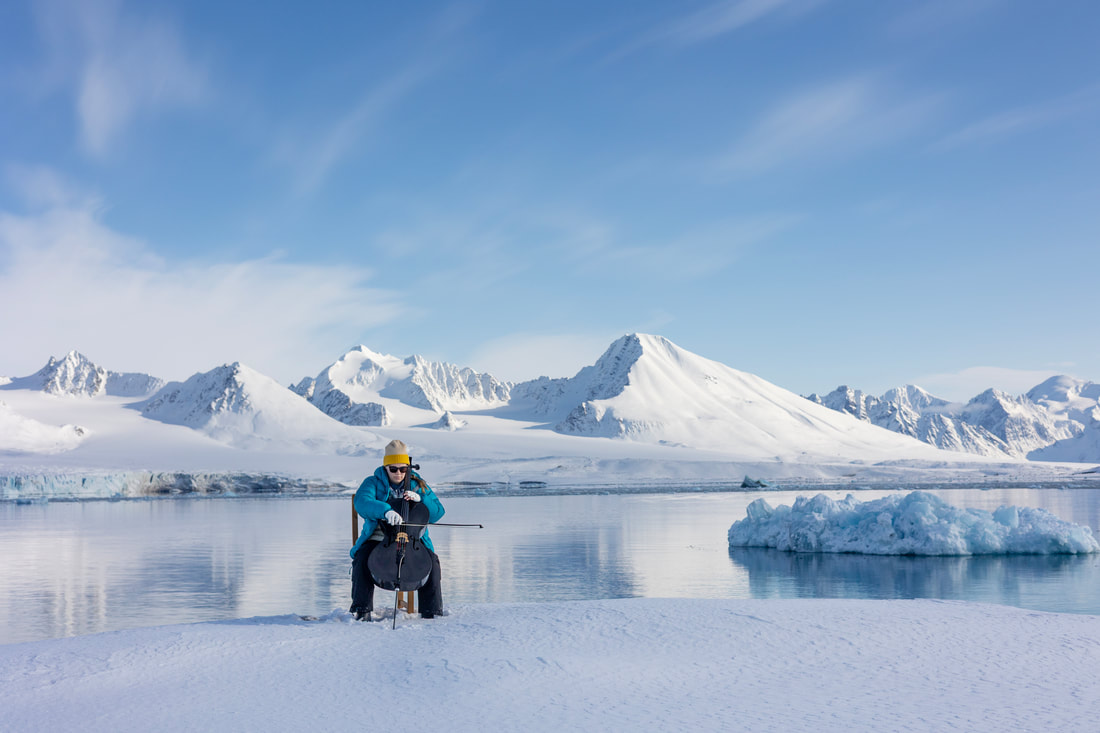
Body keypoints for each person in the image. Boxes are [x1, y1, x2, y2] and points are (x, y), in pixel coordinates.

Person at [350, 439, 445, 620]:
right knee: (362, 558)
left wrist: (421, 500)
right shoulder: (372, 482)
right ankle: (362, 610)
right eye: (393, 469)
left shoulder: (418, 484)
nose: (399, 473)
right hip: (380, 538)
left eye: (403, 469)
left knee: (432, 562)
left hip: (413, 540)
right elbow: (362, 503)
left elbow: (438, 513)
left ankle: (431, 612)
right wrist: (385, 510)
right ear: (386, 468)